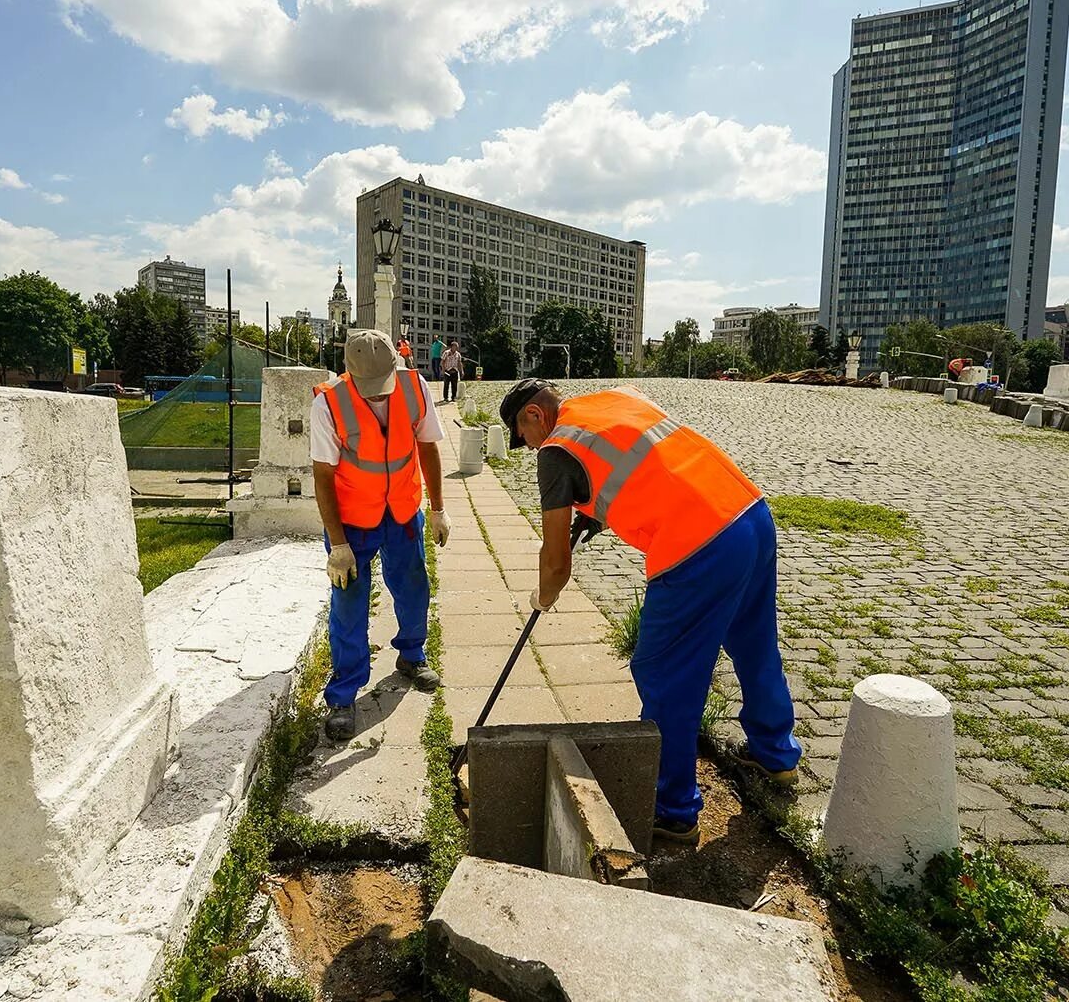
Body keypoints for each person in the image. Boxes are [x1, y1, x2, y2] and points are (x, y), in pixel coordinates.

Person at [499, 378, 801, 845]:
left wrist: (543, 597)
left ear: (535, 417)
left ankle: (672, 807)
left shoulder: (556, 451)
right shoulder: (613, 397)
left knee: (664, 673)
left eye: (525, 437)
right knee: (754, 643)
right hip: (748, 513)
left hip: (696, 544)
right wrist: (595, 510)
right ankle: (775, 754)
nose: (530, 446)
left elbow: (556, 561)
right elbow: (644, 461)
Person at [312, 330, 451, 741]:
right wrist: (338, 545)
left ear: (396, 365)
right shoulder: (329, 403)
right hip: (352, 520)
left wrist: (438, 509)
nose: (377, 397)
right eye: (368, 390)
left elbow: (428, 447)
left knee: (412, 586)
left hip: (403, 510)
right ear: (349, 373)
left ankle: (411, 655)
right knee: (350, 601)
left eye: (382, 387)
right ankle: (343, 693)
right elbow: (322, 477)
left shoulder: (415, 387)